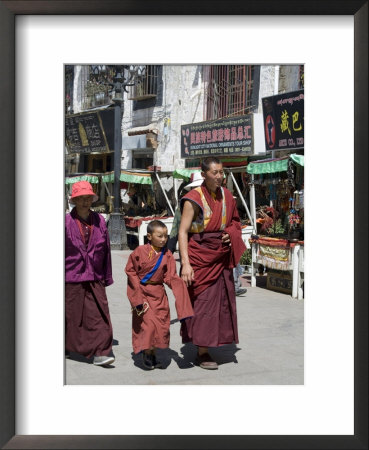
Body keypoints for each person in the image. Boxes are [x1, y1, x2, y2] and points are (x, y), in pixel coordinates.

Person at [178, 156, 246, 370]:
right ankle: (203, 350)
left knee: (221, 304)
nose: (219, 177)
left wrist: (230, 233)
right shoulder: (193, 199)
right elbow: (182, 231)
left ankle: (214, 341)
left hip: (220, 254)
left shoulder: (227, 196)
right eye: (215, 173)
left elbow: (236, 222)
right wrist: (185, 264)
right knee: (204, 304)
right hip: (201, 255)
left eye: (221, 172)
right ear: (204, 173)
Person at [125, 220, 194, 370]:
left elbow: (170, 276)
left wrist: (180, 288)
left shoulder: (167, 254)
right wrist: (136, 293)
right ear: (149, 236)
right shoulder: (139, 251)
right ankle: (147, 354)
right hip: (143, 293)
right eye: (160, 236)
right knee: (148, 325)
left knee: (161, 326)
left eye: (165, 236)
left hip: (159, 295)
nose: (164, 239)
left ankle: (153, 353)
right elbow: (131, 271)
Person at [65, 181, 115, 366]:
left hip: (95, 276)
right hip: (71, 276)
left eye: (88, 198)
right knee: (72, 316)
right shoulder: (65, 222)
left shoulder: (100, 220)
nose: (86, 201)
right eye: (81, 198)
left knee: (99, 314)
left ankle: (101, 351)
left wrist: (106, 276)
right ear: (75, 200)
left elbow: (107, 250)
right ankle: (67, 345)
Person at [167, 172, 204, 254]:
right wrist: (168, 254)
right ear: (192, 189)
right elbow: (175, 231)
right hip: (189, 249)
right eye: (197, 188)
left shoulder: (214, 203)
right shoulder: (184, 206)